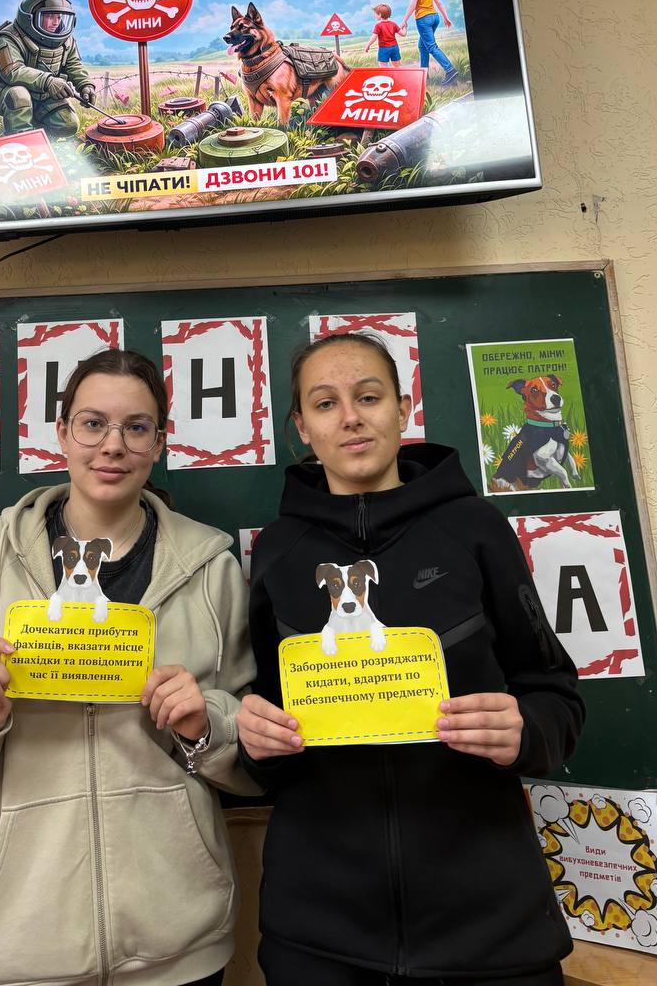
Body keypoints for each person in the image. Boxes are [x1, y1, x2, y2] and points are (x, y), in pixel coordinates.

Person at [0, 349, 255, 986]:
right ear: (62, 433)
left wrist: (203, 726)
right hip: (15, 943)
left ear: (159, 442)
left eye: (136, 427)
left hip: (176, 940)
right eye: (92, 424)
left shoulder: (210, 569)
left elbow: (245, 745)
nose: (113, 445)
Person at [237, 332, 584, 986]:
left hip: (491, 927)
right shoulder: (278, 551)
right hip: (319, 934)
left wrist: (526, 729)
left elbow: (555, 693)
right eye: (325, 404)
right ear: (302, 427)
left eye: (368, 397)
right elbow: (268, 717)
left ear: (402, 407)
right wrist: (257, 740)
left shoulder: (476, 528)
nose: (350, 417)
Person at [0, 0, 96, 136]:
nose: (56, 22)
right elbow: (12, 71)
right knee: (19, 96)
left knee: (68, 125)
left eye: (59, 17)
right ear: (31, 17)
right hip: (11, 93)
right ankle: (20, 139)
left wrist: (85, 85)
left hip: (44, 96)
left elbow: (73, 64)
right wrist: (48, 81)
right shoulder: (9, 37)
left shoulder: (66, 40)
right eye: (49, 16)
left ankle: (42, 138)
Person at [399, 0, 459, 85]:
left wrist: (404, 20)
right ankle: (424, 75)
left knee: (431, 47)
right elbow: (439, 3)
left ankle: (450, 70)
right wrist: (446, 17)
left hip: (423, 19)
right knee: (423, 46)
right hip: (434, 17)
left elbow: (412, 6)